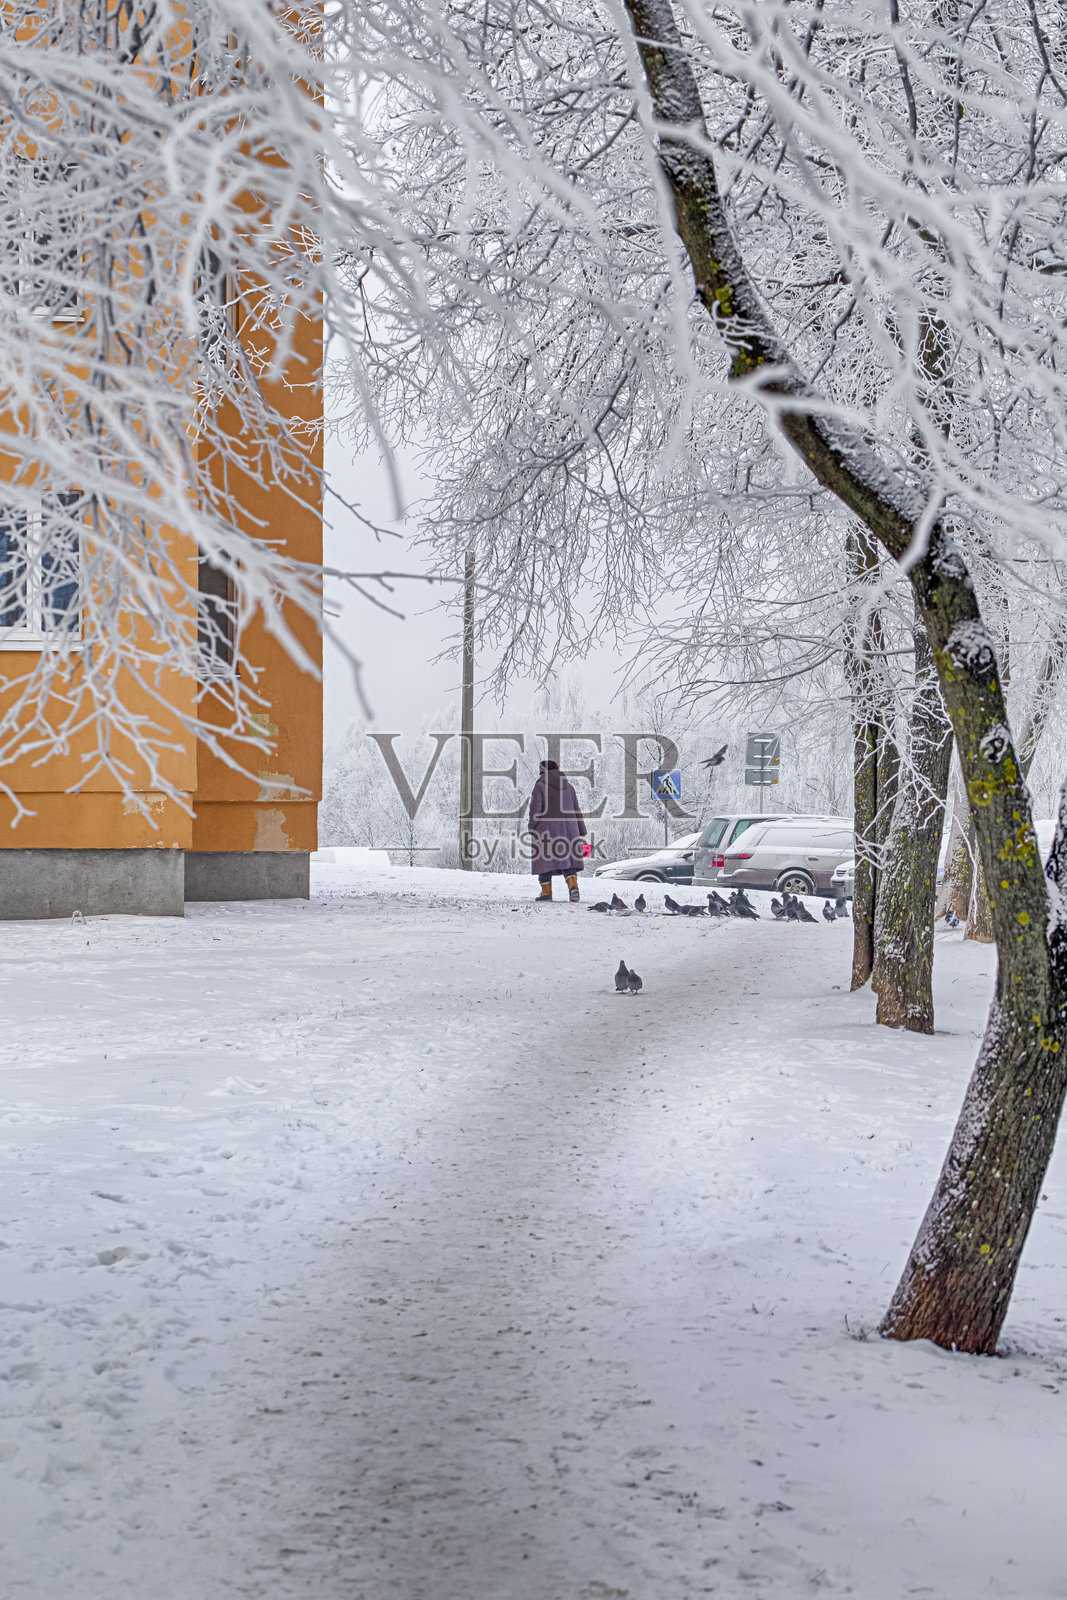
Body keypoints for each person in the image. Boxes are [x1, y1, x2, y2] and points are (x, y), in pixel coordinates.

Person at [527, 759, 588, 902]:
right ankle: (573, 887)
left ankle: (546, 892)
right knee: (568, 861)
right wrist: (581, 829)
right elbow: (576, 809)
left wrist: (532, 826)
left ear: (542, 771)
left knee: (544, 862)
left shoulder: (540, 786)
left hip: (546, 830)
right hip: (569, 830)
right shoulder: (569, 787)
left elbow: (535, 808)